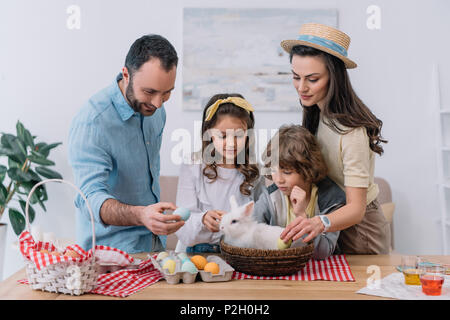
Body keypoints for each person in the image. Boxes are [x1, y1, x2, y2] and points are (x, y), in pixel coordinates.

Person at [279, 23, 390, 254]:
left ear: (334, 76)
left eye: (312, 79)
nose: (302, 87)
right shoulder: (317, 113)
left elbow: (356, 209)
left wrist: (319, 222)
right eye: (296, 77)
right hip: (331, 219)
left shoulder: (352, 131)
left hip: (360, 230)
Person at [68, 34, 185, 253]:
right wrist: (141, 215)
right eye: (149, 92)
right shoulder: (93, 121)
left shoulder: (155, 111)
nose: (158, 103)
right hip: (108, 260)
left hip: (151, 250)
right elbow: (89, 200)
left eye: (166, 93)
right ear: (126, 75)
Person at [174, 93, 266, 253]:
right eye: (222, 136)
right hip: (198, 251)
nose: (231, 143)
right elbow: (182, 227)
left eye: (239, 135)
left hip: (239, 252)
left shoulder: (253, 171)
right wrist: (202, 219)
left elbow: (259, 221)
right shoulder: (193, 166)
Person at [253, 125, 346, 260]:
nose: (278, 180)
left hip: (316, 270)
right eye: (273, 170)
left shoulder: (331, 199)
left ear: (308, 168)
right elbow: (253, 236)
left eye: (287, 172)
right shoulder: (269, 197)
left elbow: (323, 253)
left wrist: (302, 216)